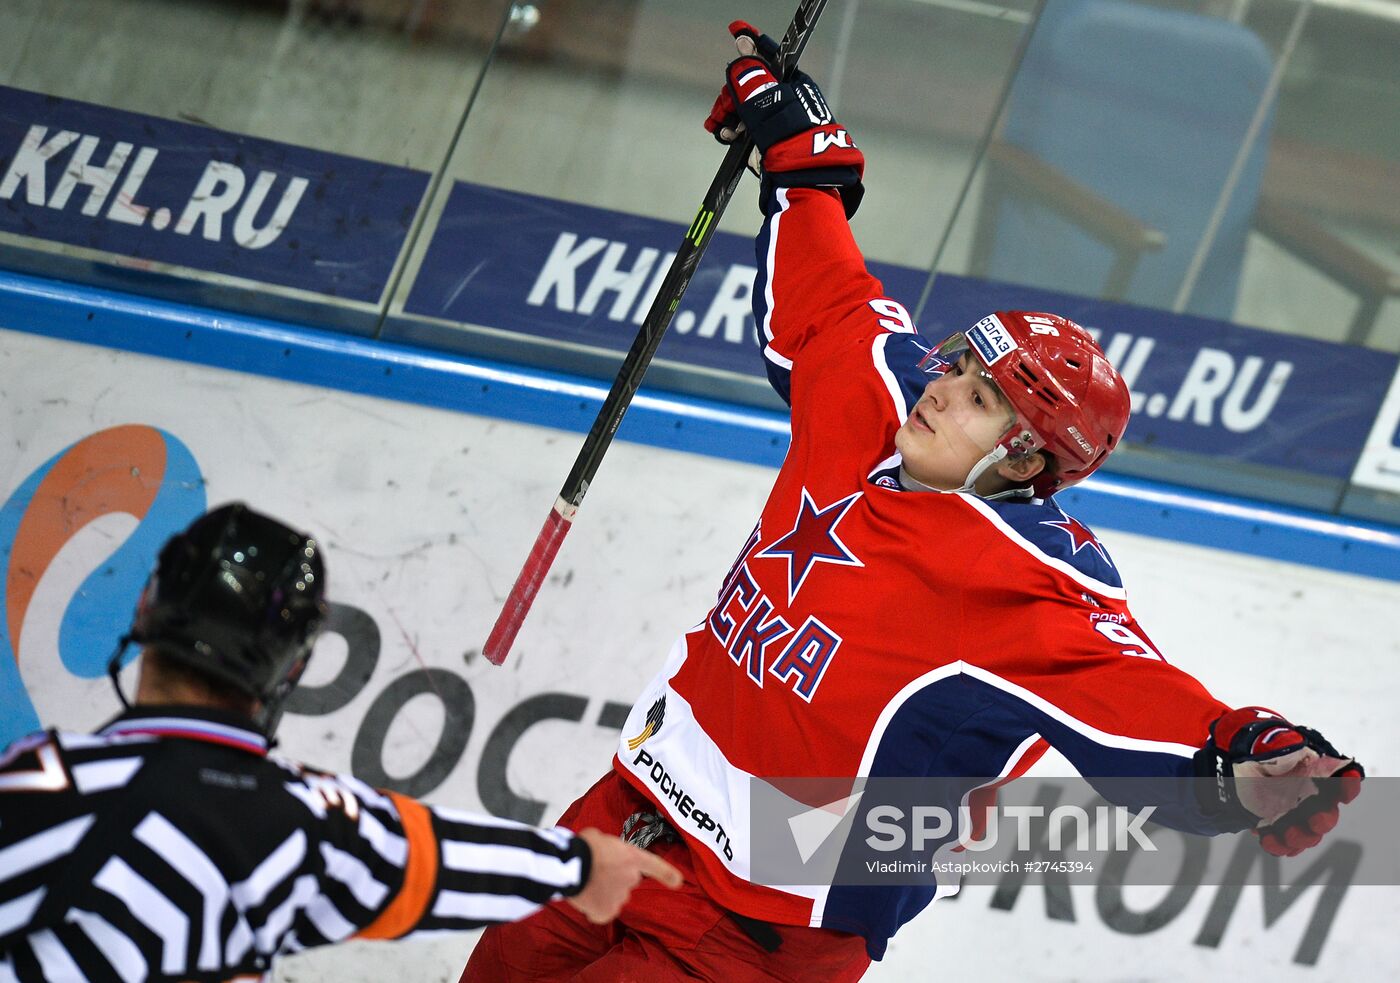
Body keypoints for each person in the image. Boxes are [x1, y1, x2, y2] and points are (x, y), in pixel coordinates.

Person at [461, 22, 1365, 982]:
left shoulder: (1031, 581)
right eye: (961, 364)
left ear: (1026, 461)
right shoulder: (883, 400)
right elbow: (833, 302)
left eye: (981, 398)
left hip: (755, 937)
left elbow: (1142, 702)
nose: (943, 388)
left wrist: (1243, 757)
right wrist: (801, 158)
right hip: (625, 820)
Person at [0, 503, 680, 982]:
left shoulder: (41, 782)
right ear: (292, 667)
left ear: (147, 606)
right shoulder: (302, 822)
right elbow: (430, 856)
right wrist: (576, 865)